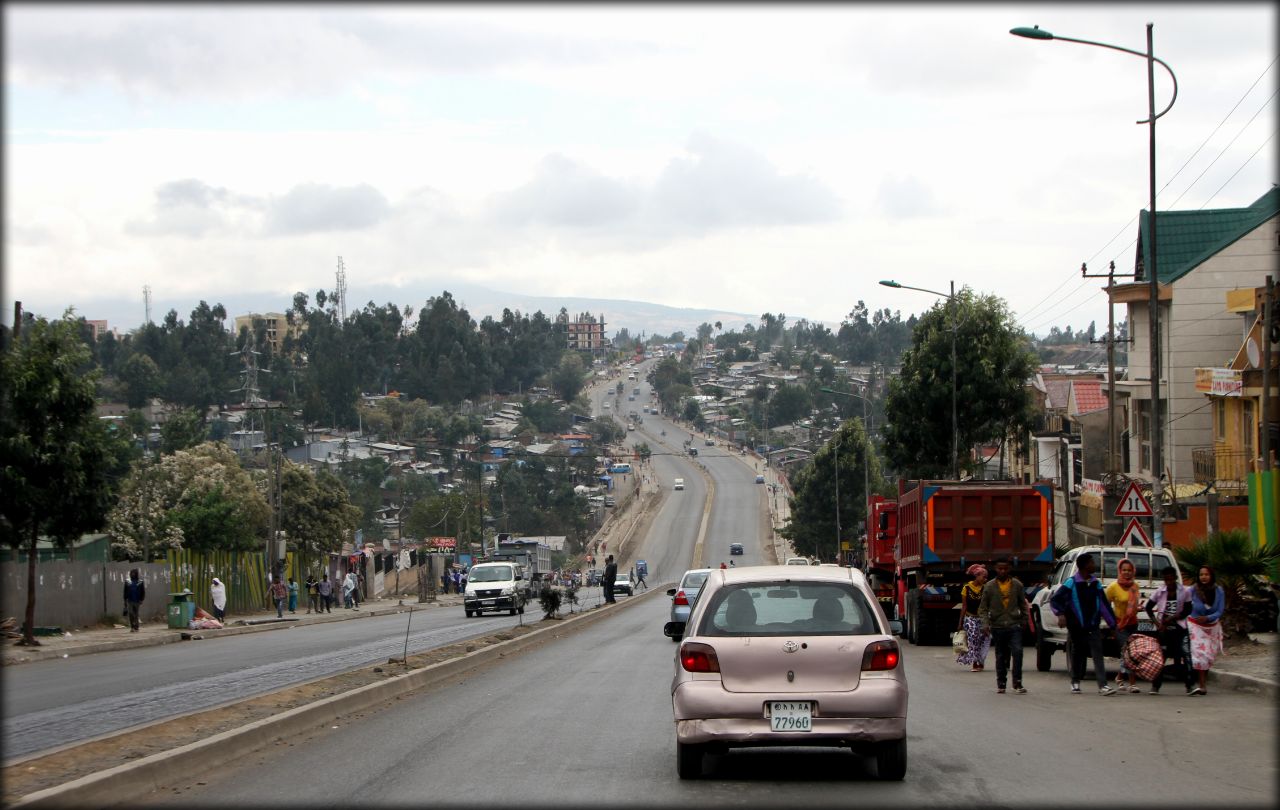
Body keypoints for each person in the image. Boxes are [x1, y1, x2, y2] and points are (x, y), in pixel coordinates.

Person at [1050, 552, 1118, 695]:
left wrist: (1112, 624)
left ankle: (1103, 685)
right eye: (1092, 563)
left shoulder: (1095, 583)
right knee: (1078, 653)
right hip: (1077, 626)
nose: (1094, 565)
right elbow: (1056, 600)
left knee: (1097, 653)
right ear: (1084, 566)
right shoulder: (1072, 582)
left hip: (1093, 625)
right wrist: (1060, 614)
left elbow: (1104, 605)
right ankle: (1075, 681)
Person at [978, 557, 1030, 694]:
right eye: (1000, 569)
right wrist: (985, 624)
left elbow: (1023, 604)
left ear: (1009, 569)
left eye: (1005, 568)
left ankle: (1017, 682)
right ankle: (1001, 682)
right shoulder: (989, 586)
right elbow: (983, 608)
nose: (1002, 571)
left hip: (1014, 624)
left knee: (1018, 652)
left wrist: (1024, 620)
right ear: (995, 569)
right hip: (997, 626)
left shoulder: (1017, 585)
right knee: (1000, 655)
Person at [1144, 565, 1195, 695]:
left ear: (1175, 578)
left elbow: (1188, 609)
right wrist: (1157, 623)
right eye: (1167, 580)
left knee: (1186, 654)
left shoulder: (1185, 591)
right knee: (1160, 657)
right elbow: (1148, 608)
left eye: (1172, 579)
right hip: (1164, 630)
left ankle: (1190, 685)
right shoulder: (1159, 592)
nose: (1170, 582)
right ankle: (1155, 686)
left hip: (1180, 628)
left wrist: (1174, 617)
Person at [1187, 565, 1225, 696]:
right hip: (1195, 625)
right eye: (1201, 574)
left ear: (1211, 576)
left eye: (1206, 574)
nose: (1203, 577)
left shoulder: (1219, 590)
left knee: (1209, 655)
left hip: (1212, 626)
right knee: (1200, 653)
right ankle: (1202, 686)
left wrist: (1208, 618)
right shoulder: (1192, 590)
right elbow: (1186, 605)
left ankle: (1203, 681)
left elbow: (1220, 611)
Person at [1105, 558, 1142, 693]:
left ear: (1133, 571)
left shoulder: (1135, 586)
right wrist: (1111, 623)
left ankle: (1120, 677)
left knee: (1133, 653)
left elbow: (1135, 605)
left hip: (1133, 623)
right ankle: (1132, 683)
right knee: (1128, 652)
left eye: (1129, 570)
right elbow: (1105, 605)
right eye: (1124, 570)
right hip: (1119, 625)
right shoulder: (1113, 587)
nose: (1127, 573)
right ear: (1120, 571)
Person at [956, 564, 991, 672]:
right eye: (983, 577)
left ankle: (981, 661)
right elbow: (964, 606)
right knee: (973, 640)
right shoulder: (966, 588)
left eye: (986, 577)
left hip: (982, 618)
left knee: (983, 640)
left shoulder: (986, 588)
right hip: (970, 618)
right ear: (977, 576)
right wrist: (960, 622)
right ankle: (975, 664)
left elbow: (988, 605)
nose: (985, 579)